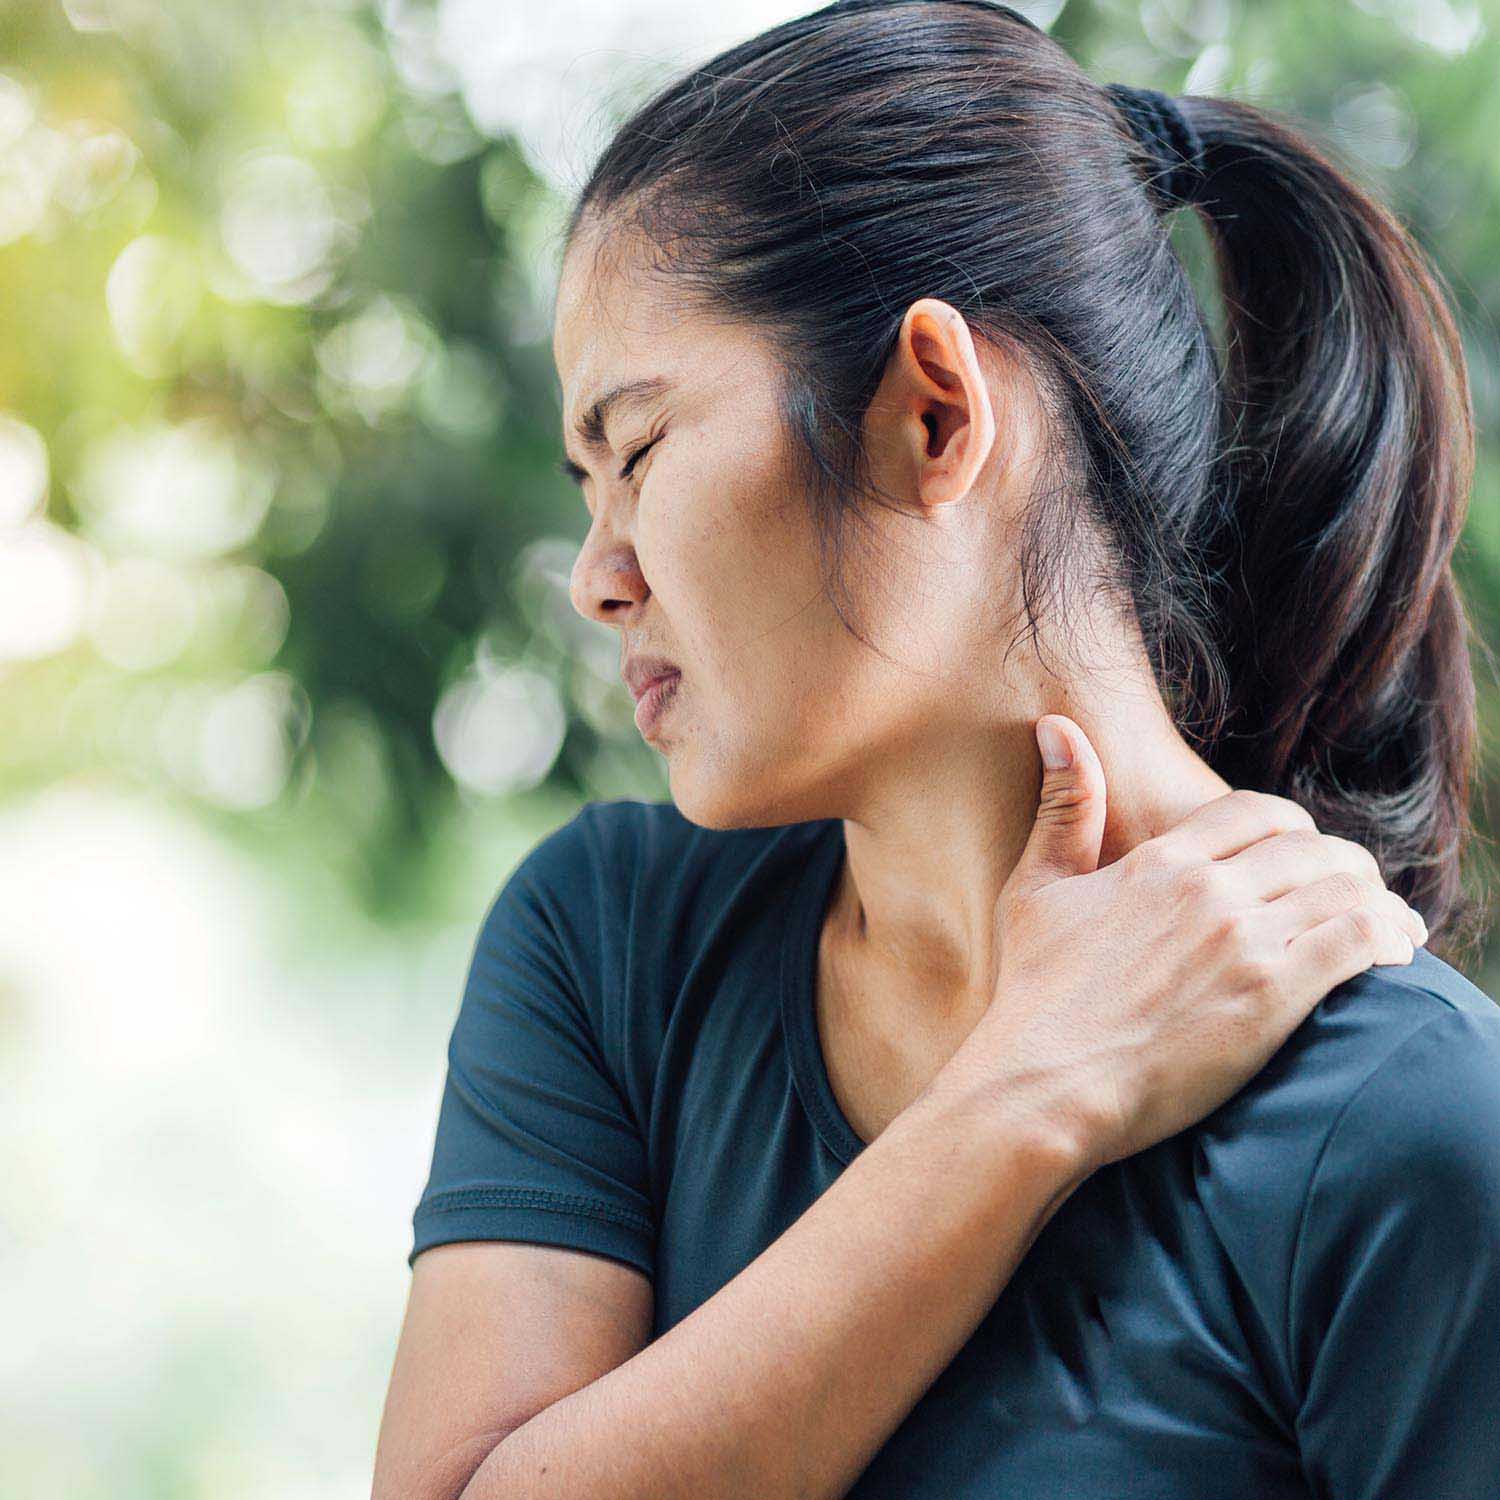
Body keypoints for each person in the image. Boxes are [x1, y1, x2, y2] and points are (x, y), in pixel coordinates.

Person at [372, 2, 1499, 1496]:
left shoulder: (1411, 1129)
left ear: (934, 412)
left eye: (636, 452)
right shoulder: (614, 946)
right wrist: (1031, 1094)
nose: (597, 574)